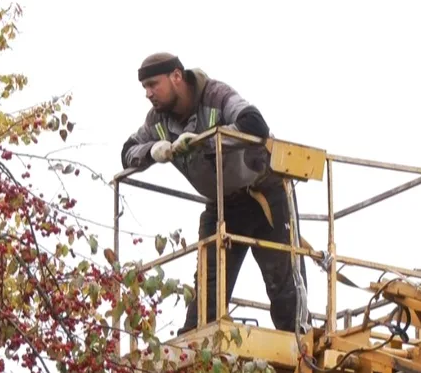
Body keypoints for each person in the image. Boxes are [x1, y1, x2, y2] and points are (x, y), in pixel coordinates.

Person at [120, 52, 307, 334]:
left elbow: (255, 124)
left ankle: (299, 346)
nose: (148, 94)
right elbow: (126, 152)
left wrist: (204, 142)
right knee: (207, 291)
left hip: (265, 195)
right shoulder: (157, 121)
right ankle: (196, 346)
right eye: (144, 87)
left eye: (152, 84)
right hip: (222, 206)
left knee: (283, 283)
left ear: (176, 77)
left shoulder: (216, 96)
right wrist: (154, 150)